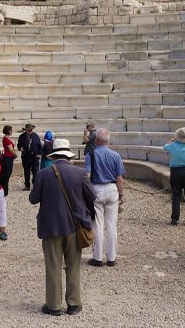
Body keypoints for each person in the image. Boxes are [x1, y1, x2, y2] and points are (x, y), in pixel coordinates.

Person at [29, 138, 96, 316]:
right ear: (68, 155)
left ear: (53, 156)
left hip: (50, 226)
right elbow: (93, 195)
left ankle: (54, 305)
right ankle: (74, 304)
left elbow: (33, 199)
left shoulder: (43, 174)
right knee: (73, 265)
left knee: (53, 266)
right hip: (75, 226)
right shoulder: (80, 173)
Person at [83, 128, 126, 267]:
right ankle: (112, 258)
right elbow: (120, 179)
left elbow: (87, 176)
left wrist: (85, 192)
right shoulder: (116, 155)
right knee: (111, 225)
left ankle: (98, 258)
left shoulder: (91, 154)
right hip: (112, 189)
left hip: (97, 189)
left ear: (96, 140)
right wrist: (121, 195)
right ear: (108, 141)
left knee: (98, 225)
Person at [17, 123, 43, 190]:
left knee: (35, 172)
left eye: (31, 130)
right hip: (26, 157)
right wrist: (20, 148)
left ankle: (35, 185)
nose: (30, 131)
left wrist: (39, 154)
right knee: (26, 172)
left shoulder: (35, 136)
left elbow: (40, 146)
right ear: (25, 130)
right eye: (28, 130)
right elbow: (18, 145)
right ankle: (27, 186)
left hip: (35, 157)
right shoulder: (21, 136)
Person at [1, 125, 17, 194]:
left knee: (6, 172)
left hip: (7, 157)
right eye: (11, 130)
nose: (11, 131)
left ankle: (4, 186)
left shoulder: (5, 138)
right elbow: (11, 149)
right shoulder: (7, 140)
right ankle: (4, 187)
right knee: (7, 172)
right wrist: (15, 154)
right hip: (8, 157)